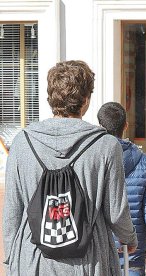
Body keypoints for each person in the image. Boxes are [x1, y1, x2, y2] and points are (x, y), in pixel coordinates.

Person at [2, 60, 138, 275]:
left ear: (50, 97)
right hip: (89, 260)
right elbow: (116, 211)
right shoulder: (106, 145)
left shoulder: (22, 142)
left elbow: (13, 209)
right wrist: (129, 238)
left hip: (32, 258)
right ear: (85, 100)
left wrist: (11, 257)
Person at [98, 102, 146, 276]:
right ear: (126, 125)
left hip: (101, 247)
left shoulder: (93, 161)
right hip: (133, 250)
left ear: (100, 127)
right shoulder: (145, 163)